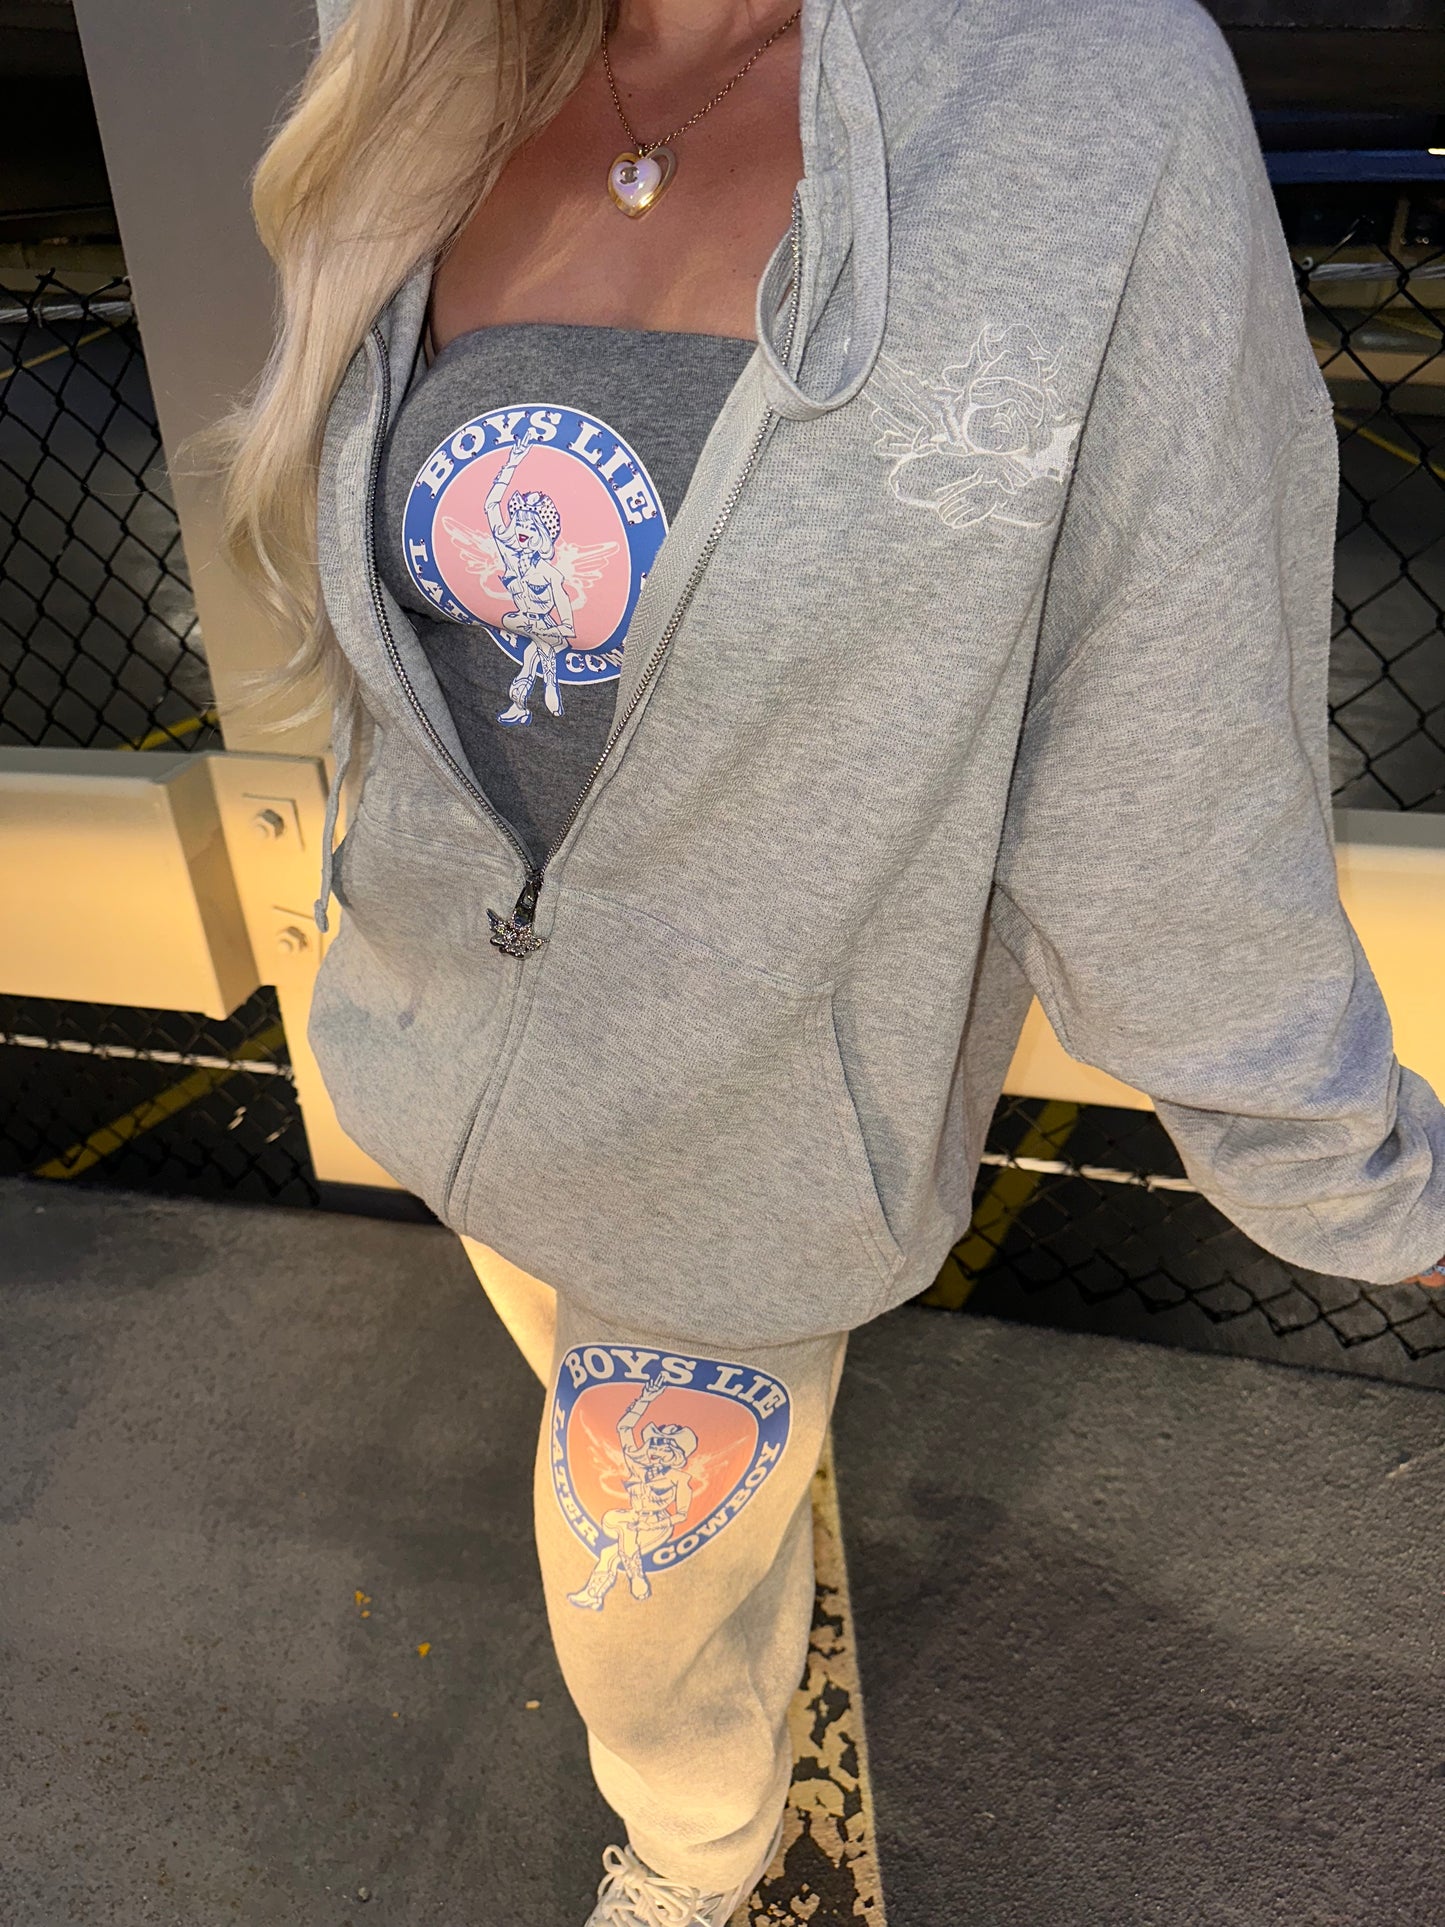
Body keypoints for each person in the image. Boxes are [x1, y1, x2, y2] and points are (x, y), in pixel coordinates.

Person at [219, 0, 1445, 1919]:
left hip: (746, 1141)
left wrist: (1355, 1172)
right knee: (674, 1514)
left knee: (630, 1602)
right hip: (439, 1057)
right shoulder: (444, 56)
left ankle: (696, 1857)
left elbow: (1167, 751)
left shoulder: (1090, 93)